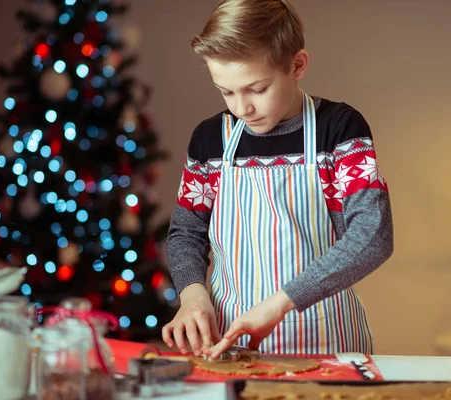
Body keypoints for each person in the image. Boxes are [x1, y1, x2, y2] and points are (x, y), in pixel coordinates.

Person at [163, 0, 393, 359]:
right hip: (232, 347)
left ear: (297, 65)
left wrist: (278, 304)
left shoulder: (339, 130)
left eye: (256, 89)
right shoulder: (210, 139)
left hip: (328, 345)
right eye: (226, 91)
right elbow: (186, 232)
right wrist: (193, 296)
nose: (241, 108)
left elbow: (373, 235)